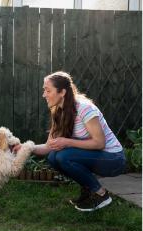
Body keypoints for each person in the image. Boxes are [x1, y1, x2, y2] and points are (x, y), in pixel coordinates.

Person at [13, 71, 126, 212]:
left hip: (113, 159)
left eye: (48, 91)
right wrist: (25, 148)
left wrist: (67, 142)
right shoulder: (58, 111)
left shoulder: (85, 109)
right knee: (53, 157)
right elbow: (49, 147)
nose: (44, 95)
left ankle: (101, 194)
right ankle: (89, 189)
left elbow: (100, 143)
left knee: (63, 156)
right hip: (95, 157)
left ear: (62, 92)